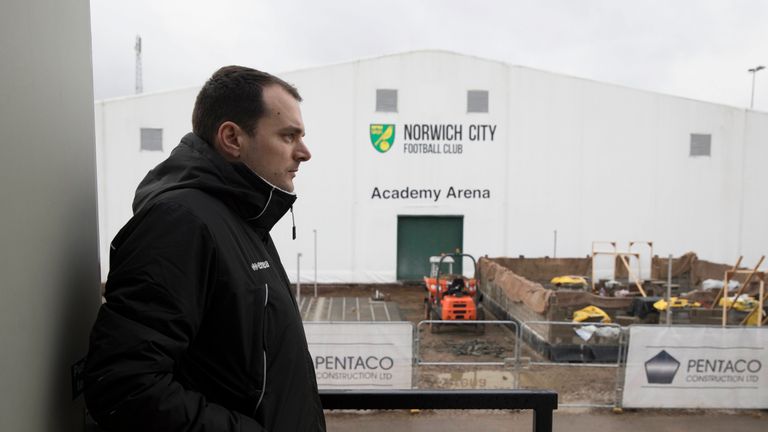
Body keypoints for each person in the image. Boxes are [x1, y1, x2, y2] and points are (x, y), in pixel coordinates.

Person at [84, 66, 326, 431]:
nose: (305, 152)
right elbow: (125, 386)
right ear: (232, 138)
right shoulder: (180, 222)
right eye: (289, 136)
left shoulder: (241, 216)